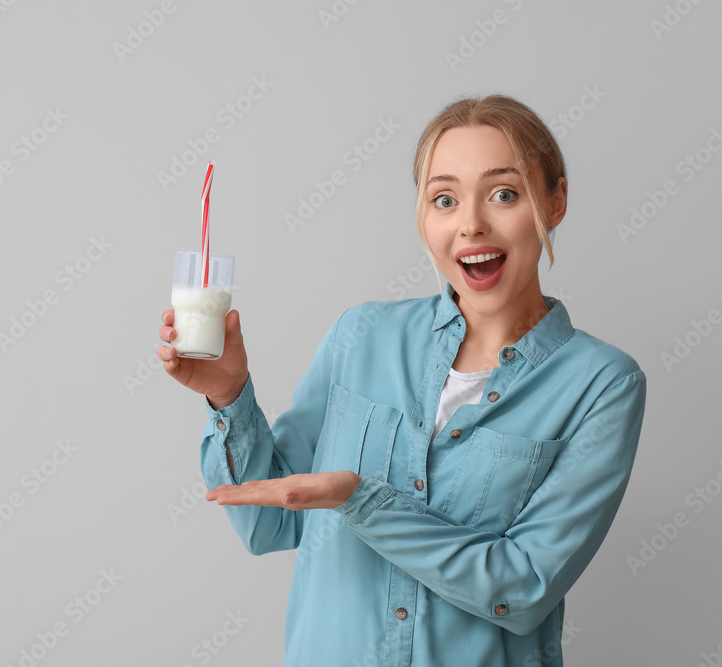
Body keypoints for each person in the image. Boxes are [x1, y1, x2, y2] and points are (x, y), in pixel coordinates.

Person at [157, 94, 648, 667]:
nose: (470, 223)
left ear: (555, 200)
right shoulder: (360, 336)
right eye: (444, 199)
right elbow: (268, 524)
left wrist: (360, 499)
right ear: (423, 215)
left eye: (504, 194)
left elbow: (522, 588)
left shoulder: (602, 384)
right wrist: (229, 395)